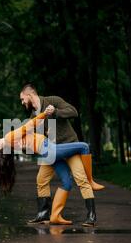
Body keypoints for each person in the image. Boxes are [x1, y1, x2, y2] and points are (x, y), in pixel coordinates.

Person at [0, 111, 102, 226]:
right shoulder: (8, 138)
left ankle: (54, 216)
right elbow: (29, 125)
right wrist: (44, 114)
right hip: (48, 150)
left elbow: (29, 136)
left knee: (67, 183)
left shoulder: (11, 144)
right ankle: (90, 185)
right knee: (84, 146)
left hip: (47, 153)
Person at [18, 84, 103, 226]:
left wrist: (56, 111)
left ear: (30, 94)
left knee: (81, 178)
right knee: (41, 179)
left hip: (69, 147)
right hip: (52, 152)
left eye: (22, 99)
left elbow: (74, 112)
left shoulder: (53, 101)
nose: (22, 102)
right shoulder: (33, 116)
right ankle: (43, 214)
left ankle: (91, 216)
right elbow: (36, 142)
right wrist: (25, 147)